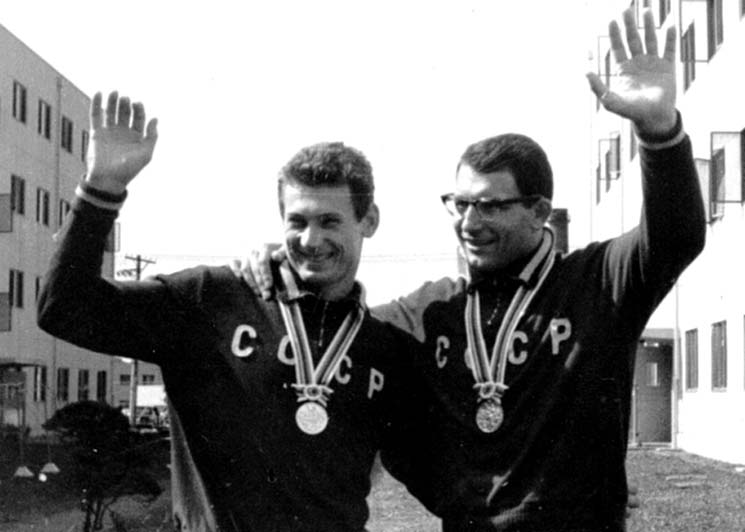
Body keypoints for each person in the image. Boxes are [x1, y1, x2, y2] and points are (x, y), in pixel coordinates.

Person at [239, 8, 705, 531]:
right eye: (459, 204)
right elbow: (339, 329)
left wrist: (659, 133)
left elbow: (676, 237)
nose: (468, 222)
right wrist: (289, 263)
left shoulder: (596, 282)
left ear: (538, 211)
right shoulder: (428, 311)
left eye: (489, 206)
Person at [36, 95, 424, 531]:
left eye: (329, 221)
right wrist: (101, 189)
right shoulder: (211, 299)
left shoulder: (383, 347)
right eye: (297, 221)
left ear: (369, 220)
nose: (311, 240)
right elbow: (63, 308)